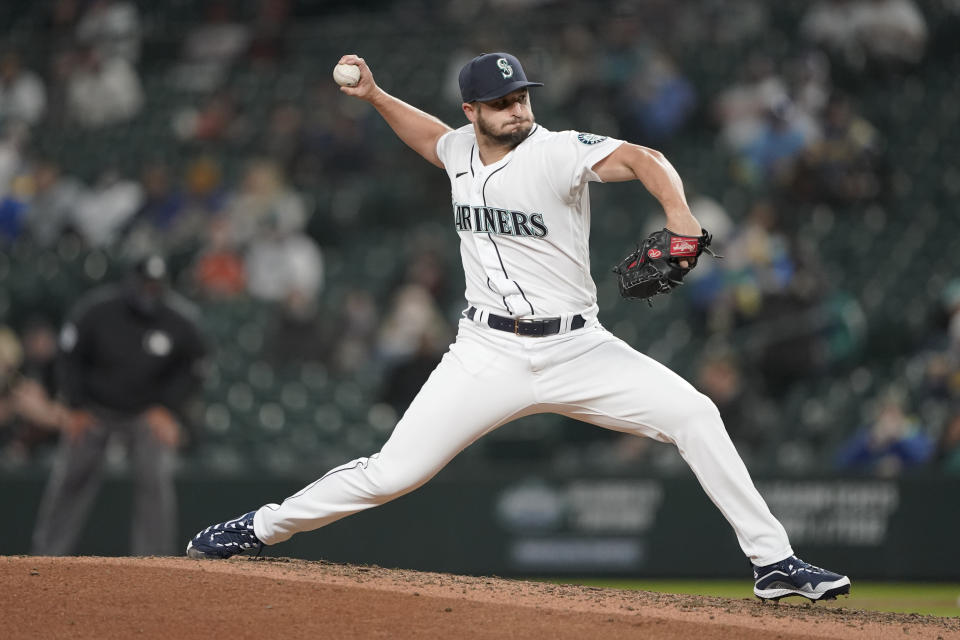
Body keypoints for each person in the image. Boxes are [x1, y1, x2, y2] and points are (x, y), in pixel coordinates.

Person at [187, 52, 851, 602]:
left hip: (577, 346)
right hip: (487, 350)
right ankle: (259, 528)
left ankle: (774, 563)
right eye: (503, 102)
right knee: (392, 473)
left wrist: (679, 216)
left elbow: (644, 157)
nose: (519, 110)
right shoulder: (459, 149)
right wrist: (378, 95)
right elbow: (431, 138)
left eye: (523, 98)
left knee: (695, 414)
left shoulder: (557, 152)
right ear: (473, 111)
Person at [33, 255, 208, 556]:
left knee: (156, 482)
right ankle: (47, 556)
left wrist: (168, 408)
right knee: (69, 481)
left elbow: (194, 369)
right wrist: (75, 405)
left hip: (144, 414)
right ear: (130, 282)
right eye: (145, 284)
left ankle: (155, 561)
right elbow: (69, 357)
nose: (149, 291)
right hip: (94, 410)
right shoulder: (97, 310)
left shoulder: (178, 320)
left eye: (156, 286)